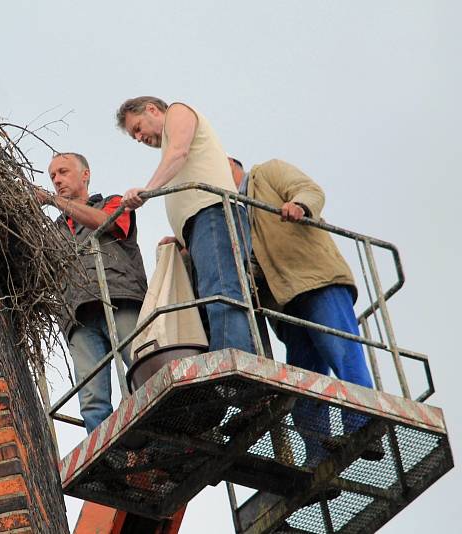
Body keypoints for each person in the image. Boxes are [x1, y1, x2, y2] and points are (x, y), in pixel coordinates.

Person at [227, 157, 382, 464]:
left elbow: (309, 190)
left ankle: (363, 426)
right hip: (284, 300)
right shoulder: (233, 211)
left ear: (229, 164)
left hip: (315, 280)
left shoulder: (266, 173)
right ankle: (317, 453)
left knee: (340, 349)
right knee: (303, 378)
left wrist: (300, 205)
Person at [116, 96, 255, 355]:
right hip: (200, 226)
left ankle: (231, 358)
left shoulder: (178, 112)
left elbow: (179, 153)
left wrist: (147, 191)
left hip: (212, 214)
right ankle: (228, 355)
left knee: (221, 291)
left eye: (137, 128)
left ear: (151, 109)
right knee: (212, 295)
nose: (138, 137)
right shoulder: (168, 146)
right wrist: (181, 238)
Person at [37, 153, 147, 434]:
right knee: (92, 399)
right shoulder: (52, 233)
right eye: (52, 176)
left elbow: (108, 222)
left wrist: (54, 201)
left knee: (142, 370)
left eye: (63, 172)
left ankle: (155, 437)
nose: (57, 180)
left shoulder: (112, 203)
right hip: (77, 317)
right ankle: (110, 460)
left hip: (121, 301)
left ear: (85, 174)